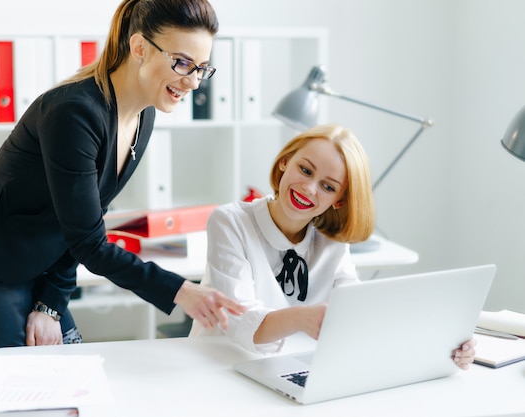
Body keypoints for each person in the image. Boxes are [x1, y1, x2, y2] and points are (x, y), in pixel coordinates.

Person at [0, 0, 245, 354]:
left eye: (202, 68)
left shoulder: (141, 118)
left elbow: (84, 221)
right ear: (139, 48)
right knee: (14, 400)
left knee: (68, 384)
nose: (193, 82)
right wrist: (182, 291)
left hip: (31, 267)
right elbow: (89, 242)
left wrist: (51, 304)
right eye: (182, 63)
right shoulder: (74, 113)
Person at [189, 124, 476, 370]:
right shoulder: (230, 221)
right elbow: (239, 322)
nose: (309, 188)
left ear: (338, 200)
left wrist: (444, 341)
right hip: (217, 367)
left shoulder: (331, 241)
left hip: (287, 370)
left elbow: (359, 311)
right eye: (305, 169)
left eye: (327, 187)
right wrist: (302, 319)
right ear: (284, 162)